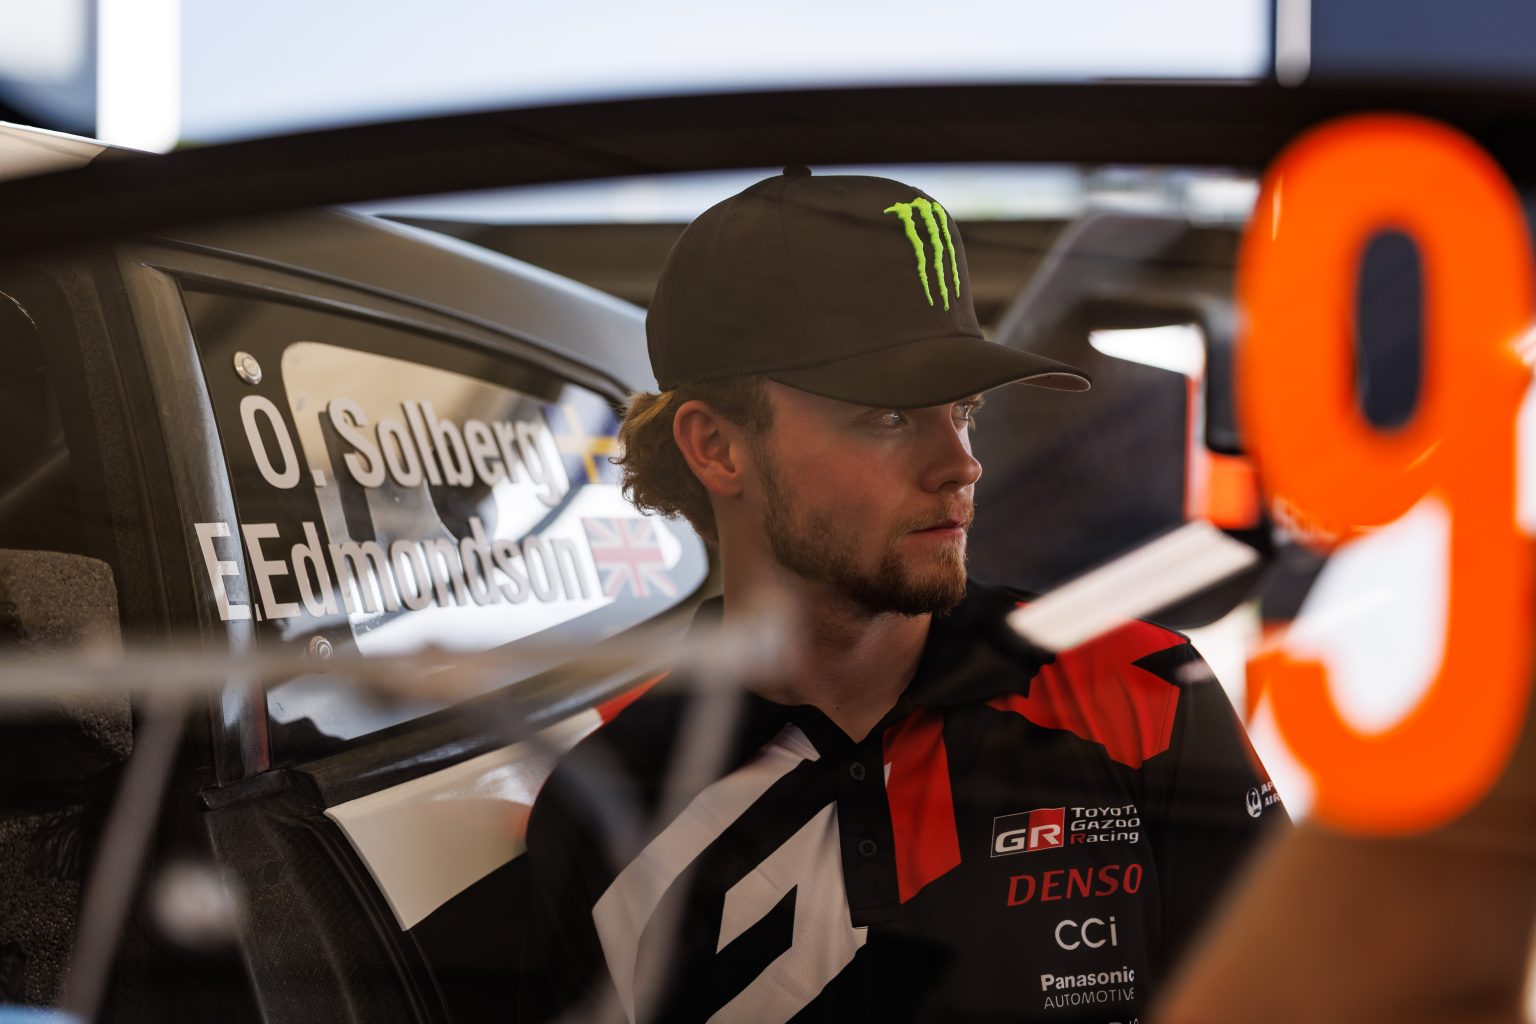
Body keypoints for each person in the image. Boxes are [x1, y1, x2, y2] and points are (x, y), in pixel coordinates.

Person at [518, 167, 1284, 1023]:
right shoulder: (607, 800)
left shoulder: (1143, 693)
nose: (961, 463)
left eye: (964, 410)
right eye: (888, 416)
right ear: (716, 448)